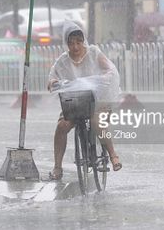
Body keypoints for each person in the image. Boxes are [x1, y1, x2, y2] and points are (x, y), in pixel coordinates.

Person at [47, 21, 122, 180]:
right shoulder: (63, 61)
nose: (75, 47)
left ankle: (113, 155)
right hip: (75, 104)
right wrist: (53, 82)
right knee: (61, 126)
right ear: (66, 44)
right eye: (71, 43)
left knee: (96, 122)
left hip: (98, 102)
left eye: (78, 42)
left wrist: (104, 77)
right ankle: (57, 167)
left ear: (83, 41)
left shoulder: (94, 53)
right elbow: (52, 77)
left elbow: (110, 69)